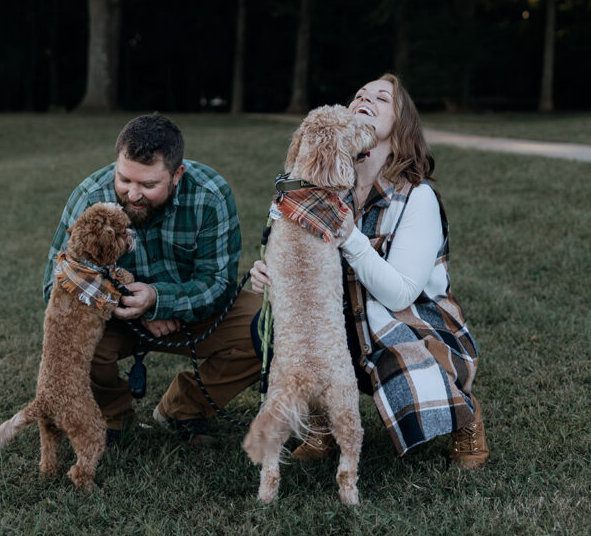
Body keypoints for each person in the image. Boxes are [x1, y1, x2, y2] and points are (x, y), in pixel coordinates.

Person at [250, 74, 489, 469]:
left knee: (397, 357)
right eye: (359, 95)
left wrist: (350, 236)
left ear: (401, 124)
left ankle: (465, 415)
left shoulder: (417, 196)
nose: (365, 99)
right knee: (270, 326)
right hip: (347, 315)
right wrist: (274, 273)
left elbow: (399, 295)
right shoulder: (325, 190)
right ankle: (322, 425)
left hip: (411, 324)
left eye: (381, 98)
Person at [44, 112, 262, 446]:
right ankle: (112, 417)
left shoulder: (210, 194)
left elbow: (219, 284)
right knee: (74, 333)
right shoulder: (90, 196)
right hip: (115, 318)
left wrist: (160, 300)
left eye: (148, 185)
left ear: (177, 174)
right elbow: (55, 287)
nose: (132, 195)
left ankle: (184, 408)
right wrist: (137, 309)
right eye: (124, 179)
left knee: (266, 325)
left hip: (193, 314)